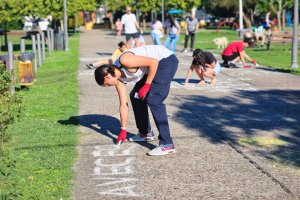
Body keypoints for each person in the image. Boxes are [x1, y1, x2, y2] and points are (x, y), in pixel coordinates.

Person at [94, 45, 179, 156]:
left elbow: (153, 62)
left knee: (154, 100)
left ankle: (167, 143)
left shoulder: (125, 61)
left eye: (105, 85)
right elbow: (123, 105)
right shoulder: (118, 79)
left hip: (165, 61)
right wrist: (123, 129)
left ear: (107, 77)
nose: (107, 86)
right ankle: (145, 133)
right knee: (135, 96)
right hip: (151, 68)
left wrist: (147, 85)